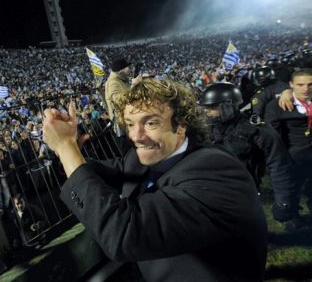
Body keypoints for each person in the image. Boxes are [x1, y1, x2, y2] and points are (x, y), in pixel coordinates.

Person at [42, 78, 267, 281]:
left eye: (151, 123)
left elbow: (125, 233)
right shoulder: (141, 158)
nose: (135, 136)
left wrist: (66, 148)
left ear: (181, 126)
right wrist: (70, 152)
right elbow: (97, 173)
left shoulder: (217, 171)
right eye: (130, 124)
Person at [199, 83, 300, 230]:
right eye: (205, 107)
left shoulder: (258, 131)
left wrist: (283, 202)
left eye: (212, 107)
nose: (206, 111)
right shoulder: (204, 131)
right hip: (207, 191)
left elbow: (279, 166)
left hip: (242, 193)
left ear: (228, 106)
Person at [265, 69, 312, 221]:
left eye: (310, 84)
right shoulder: (276, 106)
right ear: (291, 85)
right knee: (292, 192)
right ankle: (293, 219)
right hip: (293, 158)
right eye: (300, 85)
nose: (305, 89)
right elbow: (274, 136)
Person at [104, 56, 138, 155]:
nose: (130, 69)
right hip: (122, 128)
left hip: (127, 125)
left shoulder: (119, 80)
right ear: (121, 69)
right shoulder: (113, 83)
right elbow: (119, 101)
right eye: (128, 67)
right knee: (131, 156)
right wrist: (134, 85)